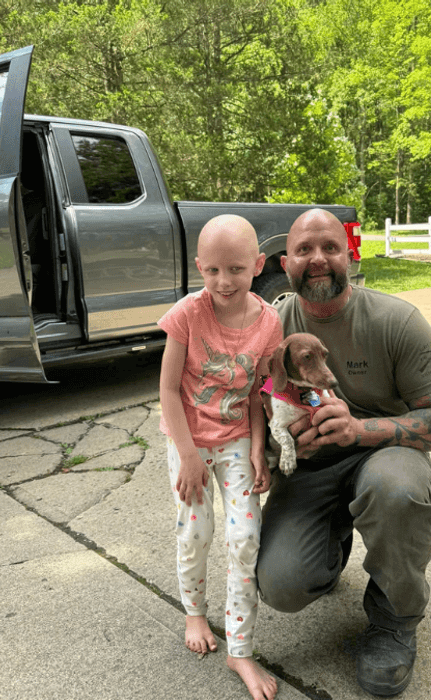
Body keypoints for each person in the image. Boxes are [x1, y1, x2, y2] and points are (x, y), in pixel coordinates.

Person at [255, 209, 431, 696]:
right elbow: (245, 406)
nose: (318, 259)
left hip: (384, 453)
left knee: (395, 490)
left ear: (349, 254)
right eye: (304, 250)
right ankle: (333, 543)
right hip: (310, 470)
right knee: (282, 584)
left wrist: (359, 431)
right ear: (285, 264)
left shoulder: (396, 320)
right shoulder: (270, 326)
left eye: (330, 247)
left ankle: (394, 620)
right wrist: (274, 445)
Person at [158, 214, 283, 700]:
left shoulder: (269, 323)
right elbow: (169, 389)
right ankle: (194, 610)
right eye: (211, 271)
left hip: (234, 438)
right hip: (188, 438)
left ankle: (241, 649)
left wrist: (257, 447)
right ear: (198, 268)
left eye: (234, 269)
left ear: (257, 265)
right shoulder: (188, 313)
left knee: (245, 535)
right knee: (197, 529)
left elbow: (256, 393)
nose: (222, 281)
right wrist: (187, 455)